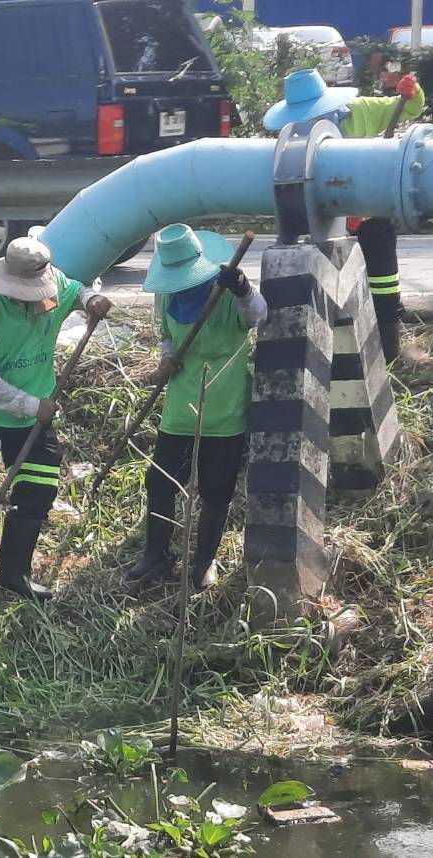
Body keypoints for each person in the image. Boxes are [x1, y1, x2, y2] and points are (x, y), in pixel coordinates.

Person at [0, 235, 113, 602]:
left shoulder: (51, 290)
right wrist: (30, 405)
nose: (29, 300)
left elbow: (75, 292)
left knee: (37, 491)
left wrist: (91, 300)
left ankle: (14, 573)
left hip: (33, 415)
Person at [124, 226, 266, 591]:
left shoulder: (227, 294)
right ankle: (156, 554)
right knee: (161, 482)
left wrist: (243, 289)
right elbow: (167, 335)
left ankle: (204, 561)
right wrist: (168, 357)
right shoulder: (169, 296)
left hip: (223, 410)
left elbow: (258, 316)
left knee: (216, 490)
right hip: (179, 411)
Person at [262, 67, 423, 363]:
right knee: (335, 291)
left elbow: (410, 107)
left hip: (374, 216)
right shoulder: (295, 135)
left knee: (383, 283)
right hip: (326, 223)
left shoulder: (361, 111)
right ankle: (340, 356)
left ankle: (388, 352)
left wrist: (411, 91)